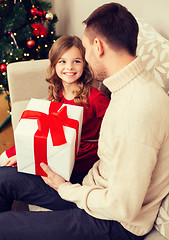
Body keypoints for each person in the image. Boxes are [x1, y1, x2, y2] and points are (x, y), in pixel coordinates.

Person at [0, 2, 169, 240]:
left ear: (98, 46)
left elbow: (124, 207)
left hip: (113, 221)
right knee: (4, 178)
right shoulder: (125, 87)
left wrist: (67, 189)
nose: (85, 59)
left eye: (86, 50)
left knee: (4, 225)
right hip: (92, 189)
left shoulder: (138, 109)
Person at [0, 35, 110, 184]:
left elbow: (115, 127)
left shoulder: (96, 98)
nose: (69, 67)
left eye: (76, 61)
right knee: (12, 158)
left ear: (84, 64)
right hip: (58, 147)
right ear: (54, 65)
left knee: (15, 170)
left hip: (79, 160)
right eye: (62, 61)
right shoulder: (58, 92)